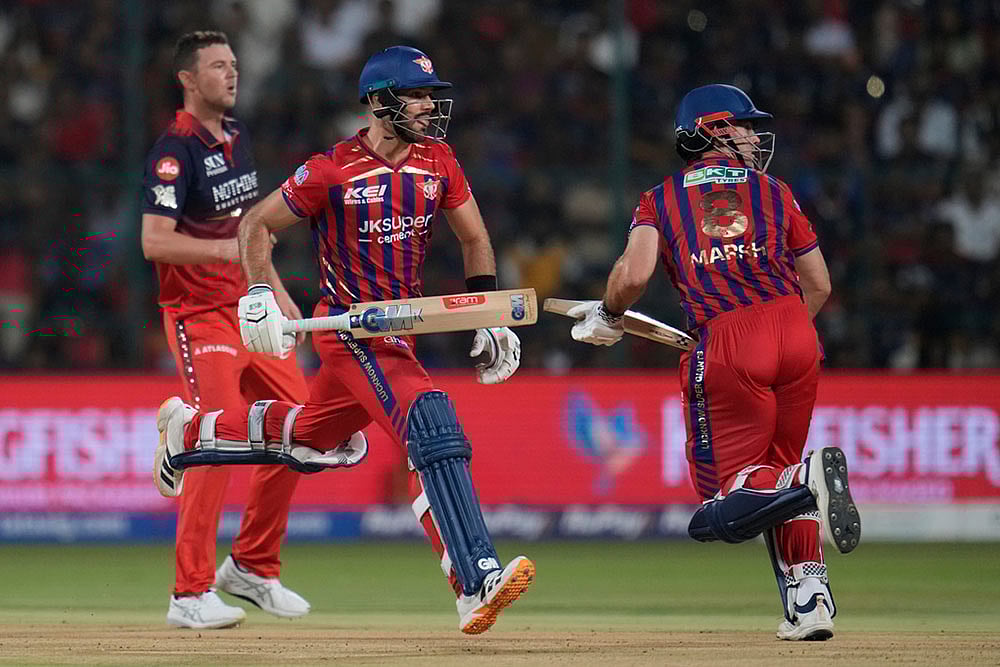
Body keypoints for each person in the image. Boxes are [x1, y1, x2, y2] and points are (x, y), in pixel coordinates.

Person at [153, 45, 533, 635]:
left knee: (310, 436)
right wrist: (258, 293)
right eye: (416, 95)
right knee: (431, 424)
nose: (429, 106)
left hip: (398, 334)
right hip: (349, 330)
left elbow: (474, 238)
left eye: (432, 95)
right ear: (379, 103)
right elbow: (256, 223)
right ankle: (475, 579)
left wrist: (488, 313)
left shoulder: (440, 161)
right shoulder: (331, 169)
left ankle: (190, 434)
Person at [564, 84, 861, 641]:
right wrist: (784, 331)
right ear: (714, 128)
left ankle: (806, 481)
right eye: (745, 126)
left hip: (728, 339)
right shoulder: (776, 190)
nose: (753, 136)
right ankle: (810, 602)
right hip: (797, 330)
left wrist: (608, 314)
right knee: (769, 478)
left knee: (723, 505)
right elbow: (819, 283)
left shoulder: (659, 199)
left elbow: (632, 275)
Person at [142, 31, 312, 629]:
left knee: (304, 430)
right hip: (199, 314)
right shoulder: (173, 151)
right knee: (215, 439)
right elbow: (153, 241)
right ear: (188, 80)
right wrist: (223, 252)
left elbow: (252, 227)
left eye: (234, 63)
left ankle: (252, 567)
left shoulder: (237, 137)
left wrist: (276, 292)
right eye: (218, 66)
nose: (232, 73)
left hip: (249, 307)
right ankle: (189, 594)